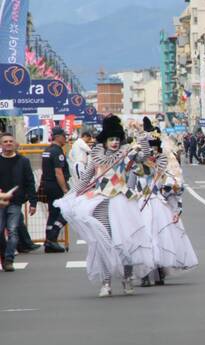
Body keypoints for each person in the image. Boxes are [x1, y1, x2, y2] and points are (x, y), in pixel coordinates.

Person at [55, 115, 154, 297]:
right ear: (105, 140)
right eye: (111, 139)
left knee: (125, 243)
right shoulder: (96, 157)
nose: (115, 142)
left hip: (123, 200)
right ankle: (106, 282)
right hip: (100, 201)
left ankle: (127, 279)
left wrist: (141, 134)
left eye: (117, 139)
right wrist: (70, 194)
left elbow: (144, 157)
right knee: (103, 242)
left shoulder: (126, 154)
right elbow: (85, 179)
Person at [137, 119, 198, 287]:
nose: (151, 150)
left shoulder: (165, 159)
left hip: (158, 201)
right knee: (145, 236)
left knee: (160, 236)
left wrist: (175, 204)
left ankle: (159, 270)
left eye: (153, 146)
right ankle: (146, 272)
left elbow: (176, 182)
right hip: (140, 200)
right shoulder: (136, 159)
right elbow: (130, 180)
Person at [0, 133, 37, 271]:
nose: (8, 143)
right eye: (5, 141)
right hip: (0, 202)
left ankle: (9, 260)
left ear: (14, 143)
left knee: (13, 231)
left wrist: (33, 202)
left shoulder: (23, 161)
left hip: (15, 202)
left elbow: (30, 182)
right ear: (1, 144)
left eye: (10, 141)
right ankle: (4, 255)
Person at [41, 127, 70, 253]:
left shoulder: (47, 150)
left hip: (47, 184)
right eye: (64, 136)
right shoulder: (57, 151)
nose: (66, 138)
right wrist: (64, 189)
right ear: (57, 136)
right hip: (55, 185)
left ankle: (49, 242)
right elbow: (59, 172)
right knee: (66, 212)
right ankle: (52, 237)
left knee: (52, 214)